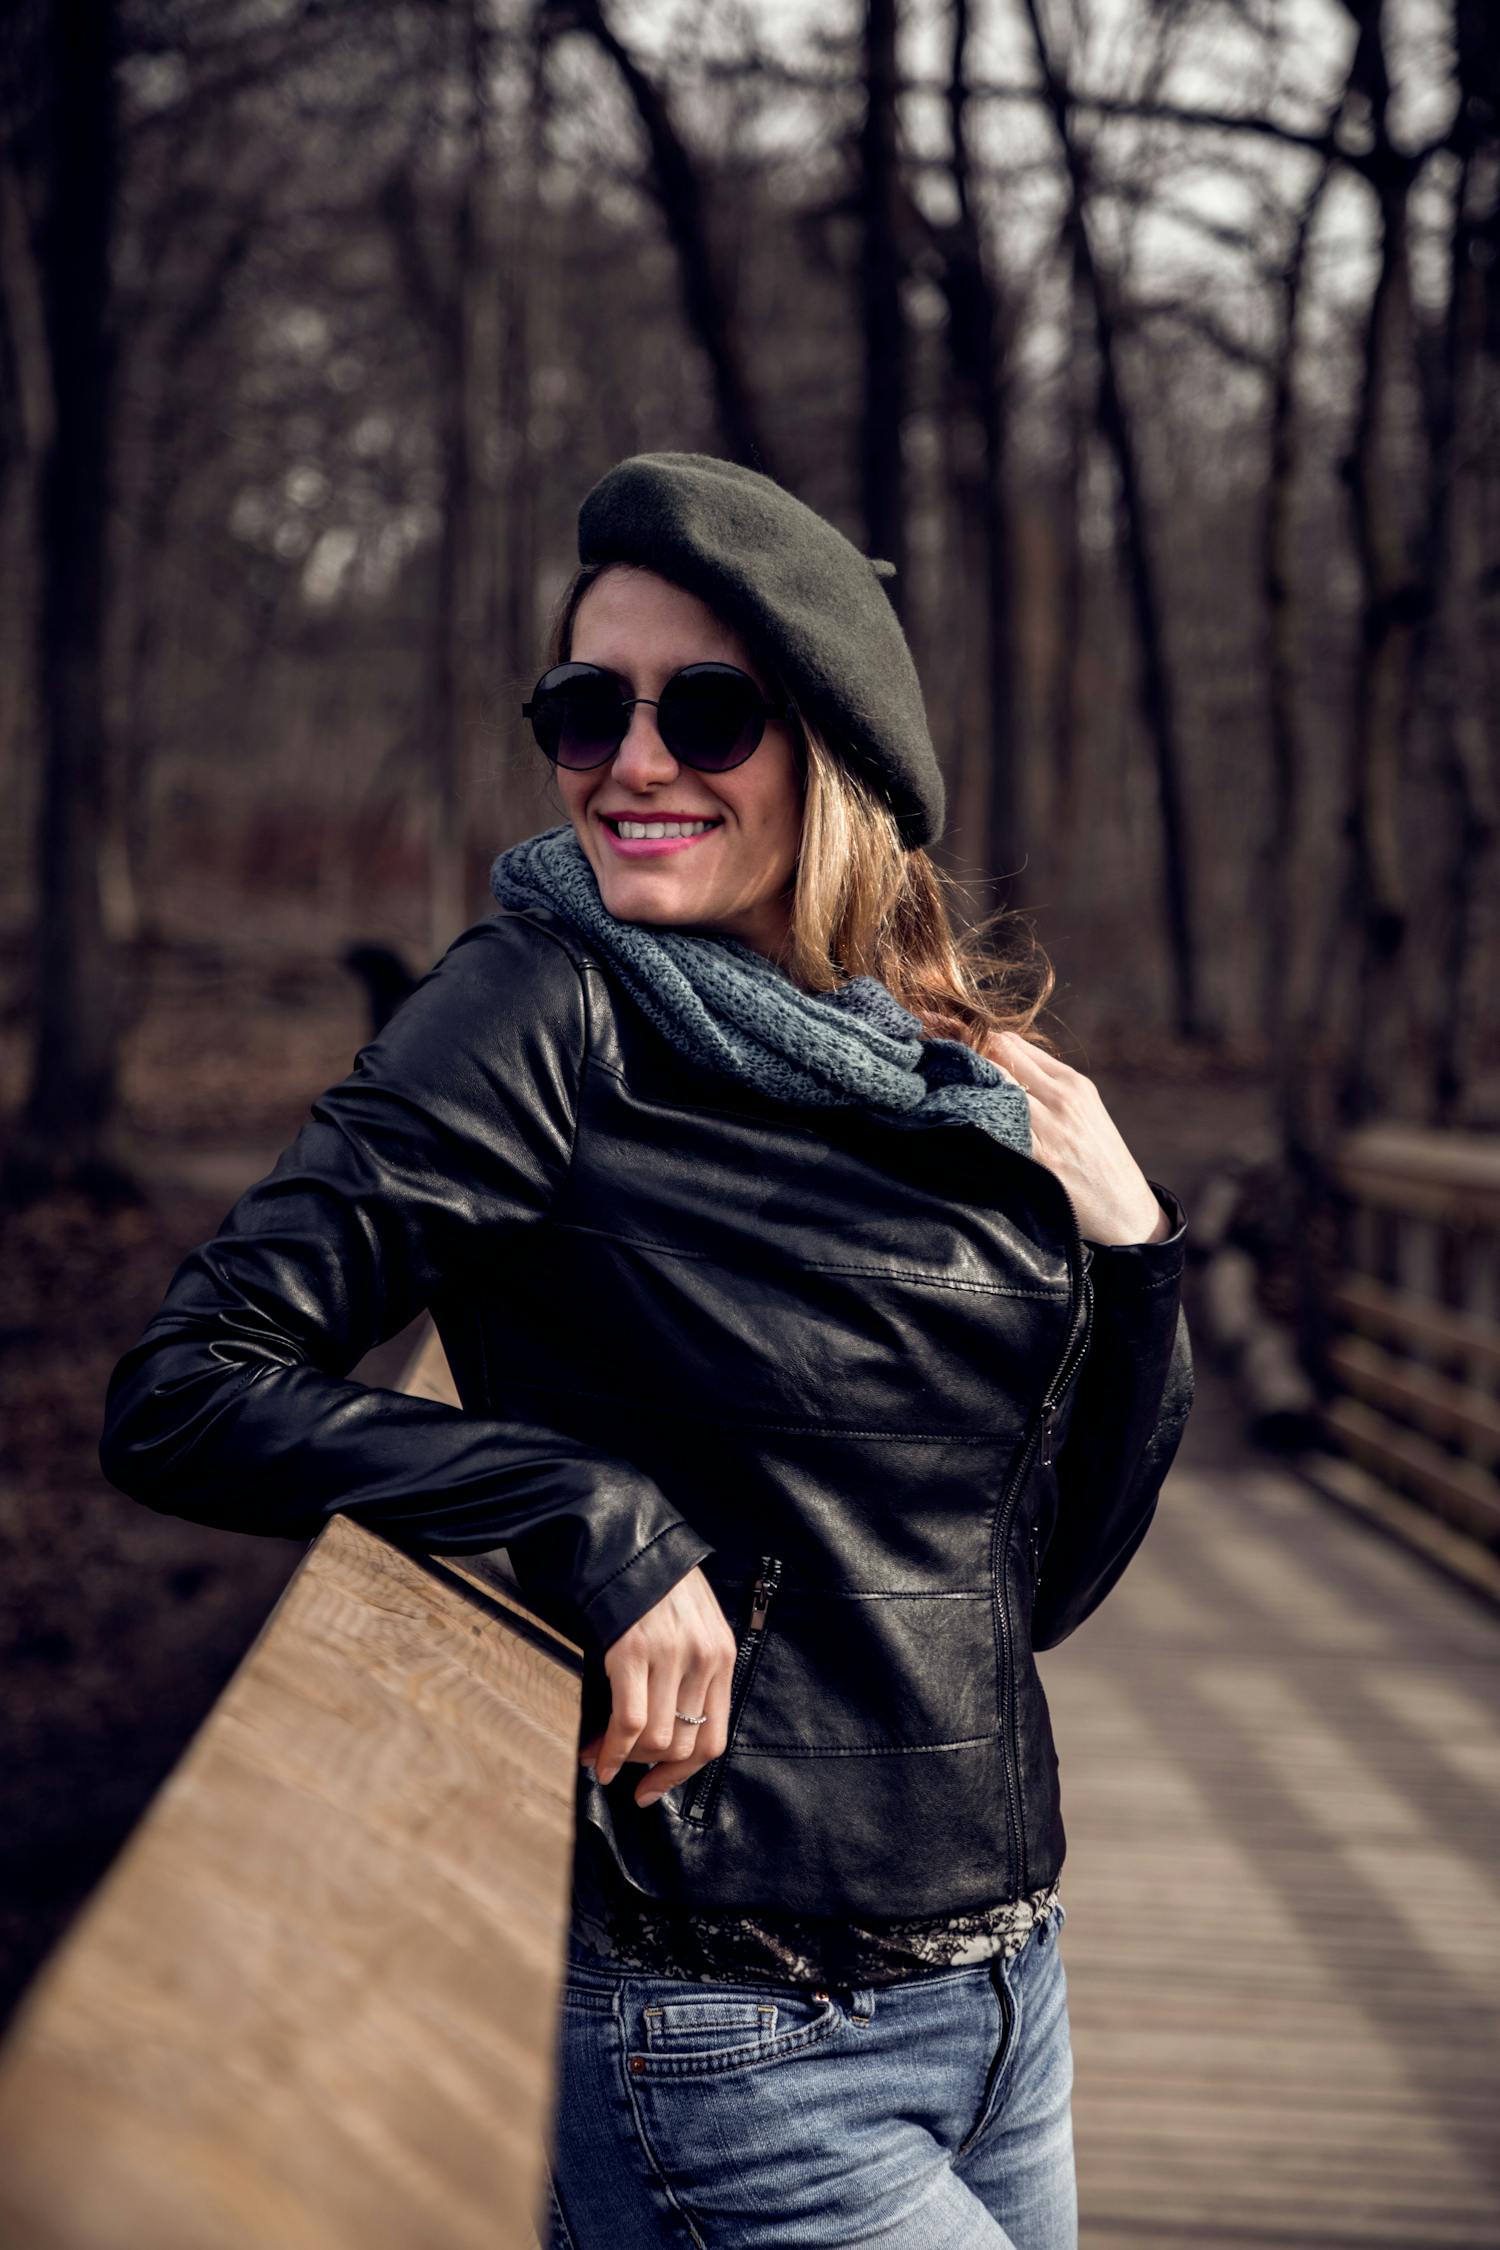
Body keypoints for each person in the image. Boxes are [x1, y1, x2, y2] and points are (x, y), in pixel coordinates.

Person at [100, 452, 1194, 2250]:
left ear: (838, 753)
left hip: (1009, 1998)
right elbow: (188, 1386)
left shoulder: (929, 1060)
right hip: (727, 2040)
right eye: (585, 707)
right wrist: (584, 1511)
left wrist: (1135, 1254)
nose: (633, 761)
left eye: (706, 712)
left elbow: (1033, 1587)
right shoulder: (537, 1007)